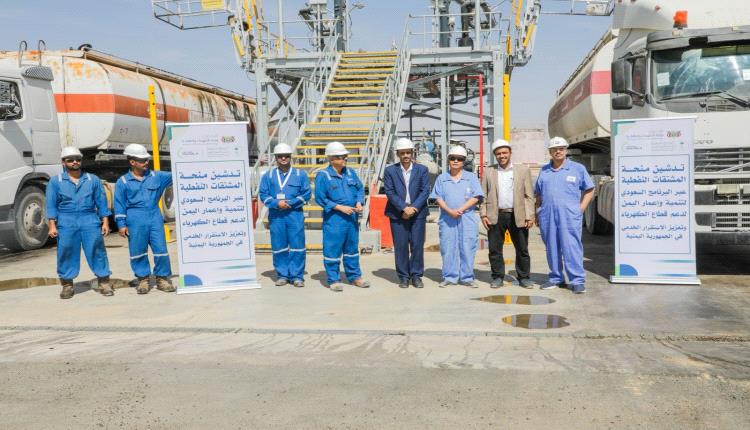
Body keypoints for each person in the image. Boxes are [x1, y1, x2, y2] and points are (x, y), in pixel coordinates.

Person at [46, 147, 113, 299]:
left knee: (97, 250)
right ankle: (67, 285)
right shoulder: (55, 181)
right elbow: (51, 205)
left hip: (89, 218)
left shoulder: (92, 179)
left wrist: (105, 222)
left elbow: (101, 202)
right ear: (63, 162)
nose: (75, 162)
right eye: (70, 160)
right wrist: (52, 225)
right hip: (66, 220)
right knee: (66, 251)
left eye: (77, 159)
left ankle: (104, 282)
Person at [534, 137, 594, 294]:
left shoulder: (577, 168)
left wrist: (580, 209)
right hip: (547, 215)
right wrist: (538, 212)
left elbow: (589, 189)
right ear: (550, 152)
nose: (558, 151)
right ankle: (556, 278)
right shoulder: (544, 171)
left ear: (566, 150)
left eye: (561, 148)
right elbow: (538, 194)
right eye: (554, 149)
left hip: (569, 216)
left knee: (571, 247)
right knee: (552, 247)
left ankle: (577, 280)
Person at [114, 143, 175, 294]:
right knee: (138, 250)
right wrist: (121, 224)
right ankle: (143, 280)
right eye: (142, 160)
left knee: (161, 249)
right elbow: (119, 204)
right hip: (134, 218)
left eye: (147, 159)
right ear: (132, 162)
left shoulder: (157, 176)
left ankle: (162, 279)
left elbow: (177, 172)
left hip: (154, 216)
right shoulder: (123, 182)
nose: (147, 162)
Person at [314, 141, 371, 292]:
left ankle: (355, 277)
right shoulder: (323, 175)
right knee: (332, 250)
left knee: (352, 249)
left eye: (345, 156)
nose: (344, 159)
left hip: (351, 219)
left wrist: (359, 202)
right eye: (340, 157)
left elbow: (359, 189)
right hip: (335, 219)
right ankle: (333, 279)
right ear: (331, 159)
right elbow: (320, 198)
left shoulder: (350, 172)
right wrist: (339, 207)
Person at [480, 139, 535, 289]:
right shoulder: (489, 171)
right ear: (495, 155)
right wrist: (484, 215)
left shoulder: (522, 170)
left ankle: (524, 277)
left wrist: (530, 216)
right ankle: (498, 277)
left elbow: (529, 195)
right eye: (498, 153)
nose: (502, 156)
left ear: (510, 153)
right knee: (494, 249)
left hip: (518, 215)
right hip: (495, 215)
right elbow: (482, 195)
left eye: (504, 152)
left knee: (522, 249)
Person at [429, 145, 484, 288]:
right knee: (448, 247)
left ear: (463, 161)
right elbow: (438, 197)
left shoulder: (471, 178)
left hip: (466, 218)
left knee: (468, 247)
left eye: (459, 159)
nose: (455, 161)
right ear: (448, 160)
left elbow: (476, 196)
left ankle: (467, 277)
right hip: (447, 218)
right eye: (452, 158)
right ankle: (449, 277)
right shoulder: (442, 178)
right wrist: (449, 211)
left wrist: (460, 210)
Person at [258, 143, 311, 288]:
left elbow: (306, 193)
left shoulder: (300, 174)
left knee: (297, 246)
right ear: (276, 158)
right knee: (279, 246)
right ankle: (282, 275)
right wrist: (277, 203)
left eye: (286, 156)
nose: (283, 158)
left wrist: (291, 203)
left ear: (290, 157)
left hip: (294, 215)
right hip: (276, 216)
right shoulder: (268, 175)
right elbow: (263, 194)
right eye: (280, 156)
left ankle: (297, 276)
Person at [383, 137, 430, 288]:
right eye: (402, 153)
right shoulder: (390, 171)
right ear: (397, 154)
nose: (405, 156)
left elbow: (425, 190)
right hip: (397, 213)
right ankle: (403, 276)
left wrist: (413, 208)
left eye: (408, 152)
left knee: (417, 245)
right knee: (401, 246)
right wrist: (404, 208)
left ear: (412, 153)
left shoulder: (422, 170)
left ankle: (416, 276)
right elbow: (389, 192)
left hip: (418, 212)